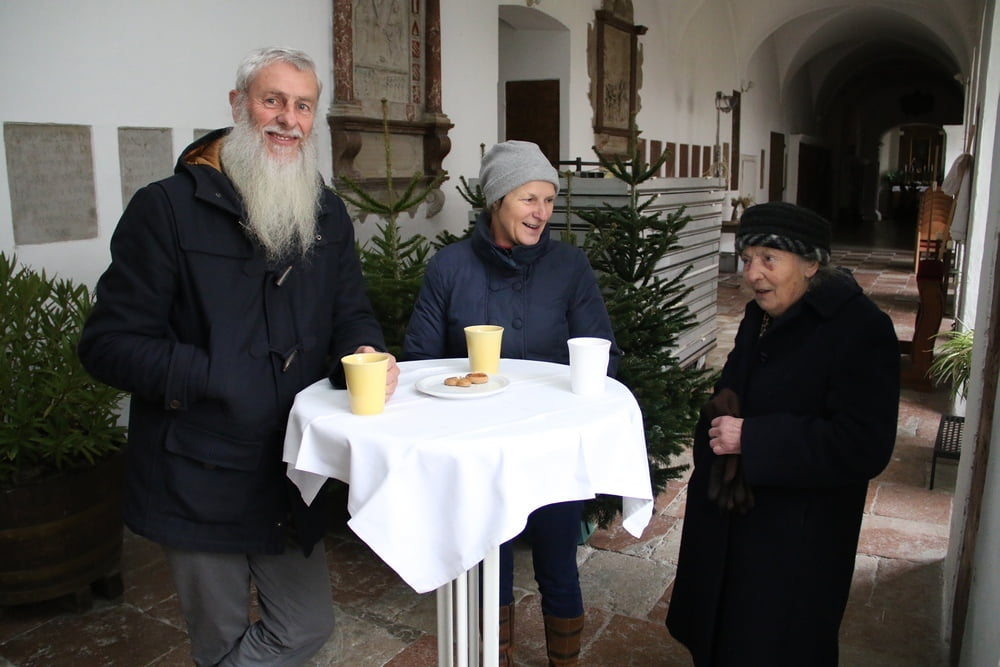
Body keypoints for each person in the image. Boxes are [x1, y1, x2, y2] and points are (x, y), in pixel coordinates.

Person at [78, 47, 399, 666]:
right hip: (197, 470)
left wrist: (364, 351)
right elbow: (107, 345)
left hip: (290, 468)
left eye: (302, 105)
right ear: (237, 105)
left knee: (304, 626)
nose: (288, 119)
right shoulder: (165, 208)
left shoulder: (326, 211)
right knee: (220, 641)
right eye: (272, 100)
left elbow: (350, 310)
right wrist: (216, 374)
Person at [403, 140, 620, 667]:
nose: (541, 212)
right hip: (477, 450)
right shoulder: (450, 267)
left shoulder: (569, 266)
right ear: (497, 199)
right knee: (489, 564)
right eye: (529, 199)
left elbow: (602, 354)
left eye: (549, 200)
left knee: (558, 565)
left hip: (550, 447)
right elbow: (417, 363)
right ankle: (495, 657)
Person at [665, 202, 901, 665]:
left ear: (811, 263)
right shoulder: (762, 313)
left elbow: (864, 444)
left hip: (796, 538)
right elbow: (735, 382)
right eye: (747, 258)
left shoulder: (861, 329)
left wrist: (752, 440)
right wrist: (722, 405)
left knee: (776, 642)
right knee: (724, 634)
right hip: (735, 516)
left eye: (769, 259)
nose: (753, 274)